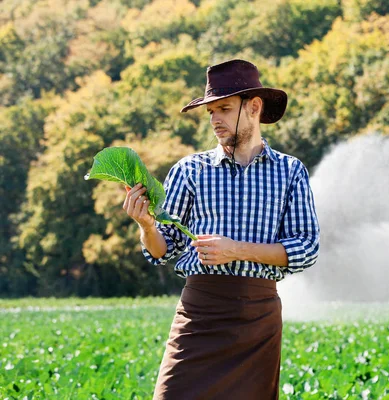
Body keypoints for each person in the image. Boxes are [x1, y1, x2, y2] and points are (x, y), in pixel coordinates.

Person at [122, 59, 320, 400]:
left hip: (258, 319)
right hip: (199, 314)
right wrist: (146, 225)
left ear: (254, 107)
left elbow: (306, 249)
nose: (215, 119)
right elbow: (163, 249)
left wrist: (237, 249)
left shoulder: (290, 172)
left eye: (224, 109)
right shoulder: (189, 170)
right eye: (211, 111)